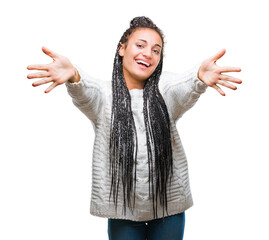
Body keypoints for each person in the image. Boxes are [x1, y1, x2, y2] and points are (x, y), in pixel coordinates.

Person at [27, 16, 242, 240]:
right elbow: (86, 92)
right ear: (122, 49)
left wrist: (199, 77)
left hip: (169, 207)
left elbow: (184, 88)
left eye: (156, 50)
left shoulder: (165, 90)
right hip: (123, 211)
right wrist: (74, 77)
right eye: (140, 45)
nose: (148, 54)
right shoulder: (104, 96)